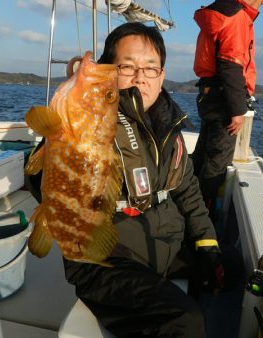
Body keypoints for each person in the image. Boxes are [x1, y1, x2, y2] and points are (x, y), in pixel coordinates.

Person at [61, 22, 224, 338]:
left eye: (151, 68)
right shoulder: (89, 119)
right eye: (127, 66)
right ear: (108, 71)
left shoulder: (168, 126)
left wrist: (207, 244)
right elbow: (48, 178)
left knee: (235, 269)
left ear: (162, 77)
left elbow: (188, 191)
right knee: (185, 322)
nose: (140, 77)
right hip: (106, 257)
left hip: (163, 243)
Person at [191, 0, 263, 221]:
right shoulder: (237, 16)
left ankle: (186, 201)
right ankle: (201, 217)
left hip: (209, 92)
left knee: (204, 153)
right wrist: (237, 109)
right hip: (224, 97)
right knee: (217, 162)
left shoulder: (220, 13)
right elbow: (230, 64)